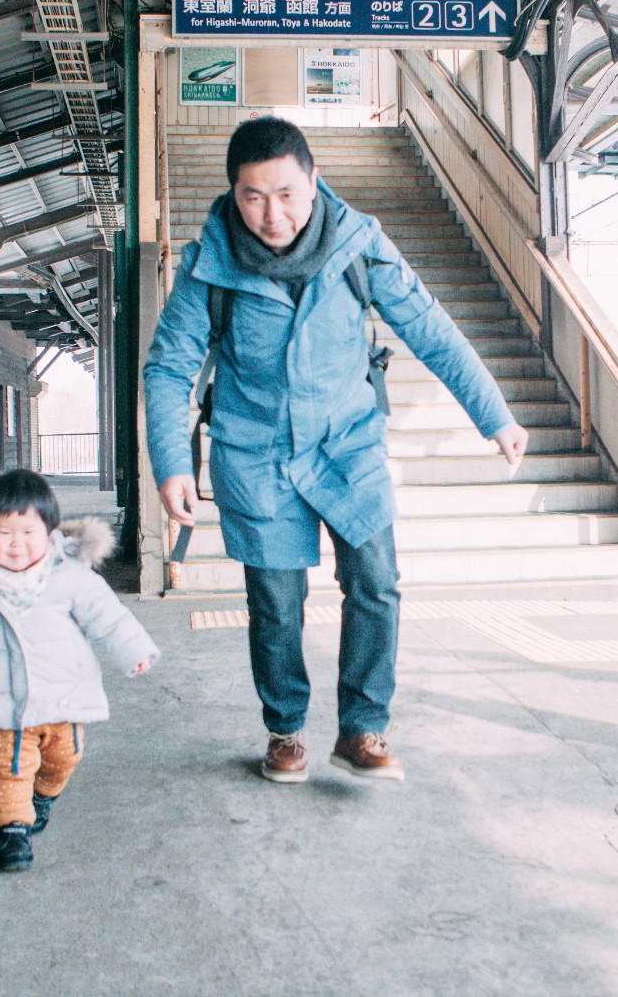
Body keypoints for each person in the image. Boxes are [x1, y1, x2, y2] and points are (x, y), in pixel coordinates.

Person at [143, 116, 528, 784]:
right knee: (276, 605)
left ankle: (363, 728)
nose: (272, 213)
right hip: (255, 453)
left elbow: (429, 328)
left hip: (347, 444)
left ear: (314, 180)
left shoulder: (359, 244)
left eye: (287, 192)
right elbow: (170, 366)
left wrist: (492, 412)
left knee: (376, 582)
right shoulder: (209, 263)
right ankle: (285, 730)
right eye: (253, 197)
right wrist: (172, 461)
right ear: (234, 193)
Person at [0, 469, 158, 872]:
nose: (16, 544)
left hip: (63, 698)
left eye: (28, 532)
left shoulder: (71, 575)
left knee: (63, 759)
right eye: (4, 533)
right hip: (2, 702)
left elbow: (109, 617)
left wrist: (134, 651)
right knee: (11, 767)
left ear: (50, 532)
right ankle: (12, 831)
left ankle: (44, 796)